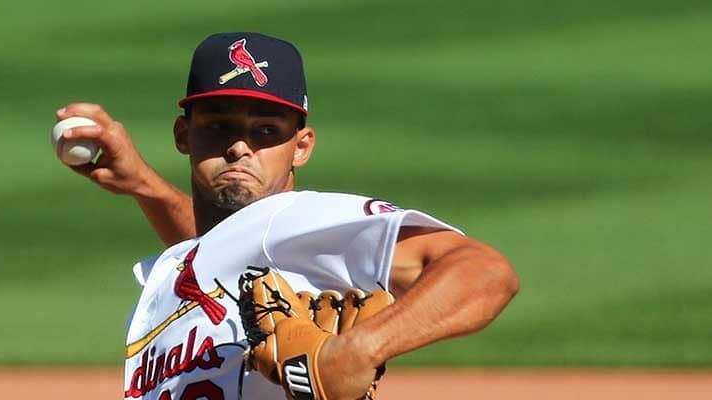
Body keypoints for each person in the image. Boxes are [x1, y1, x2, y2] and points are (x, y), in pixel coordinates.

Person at [54, 32, 519, 400]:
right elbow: (219, 256)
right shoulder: (237, 249)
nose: (240, 145)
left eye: (265, 131)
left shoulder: (296, 217)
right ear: (183, 135)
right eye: (218, 126)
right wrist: (144, 184)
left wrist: (359, 349)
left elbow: (486, 271)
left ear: (301, 147)